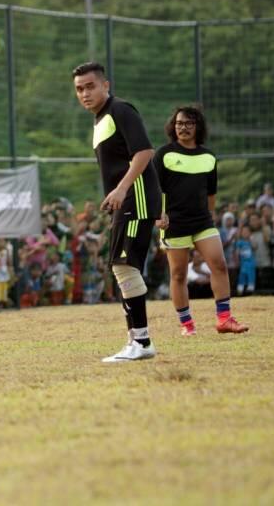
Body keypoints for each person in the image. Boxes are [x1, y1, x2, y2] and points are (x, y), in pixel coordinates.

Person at [73, 62, 161, 362]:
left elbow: (145, 151)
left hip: (135, 198)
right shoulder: (100, 119)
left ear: (105, 85)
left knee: (125, 266)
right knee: (121, 266)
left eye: (90, 86)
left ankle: (142, 341)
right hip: (126, 202)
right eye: (79, 89)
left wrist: (123, 188)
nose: (84, 93)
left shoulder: (121, 110)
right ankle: (136, 340)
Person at [154, 106, 248, 336]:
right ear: (172, 126)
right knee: (179, 275)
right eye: (179, 123)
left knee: (219, 264)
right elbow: (152, 189)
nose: (183, 127)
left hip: (203, 222)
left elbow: (211, 194)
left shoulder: (208, 156)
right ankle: (187, 325)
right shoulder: (164, 154)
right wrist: (158, 214)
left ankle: (224, 319)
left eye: (188, 123)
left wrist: (210, 216)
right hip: (174, 224)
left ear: (198, 127)